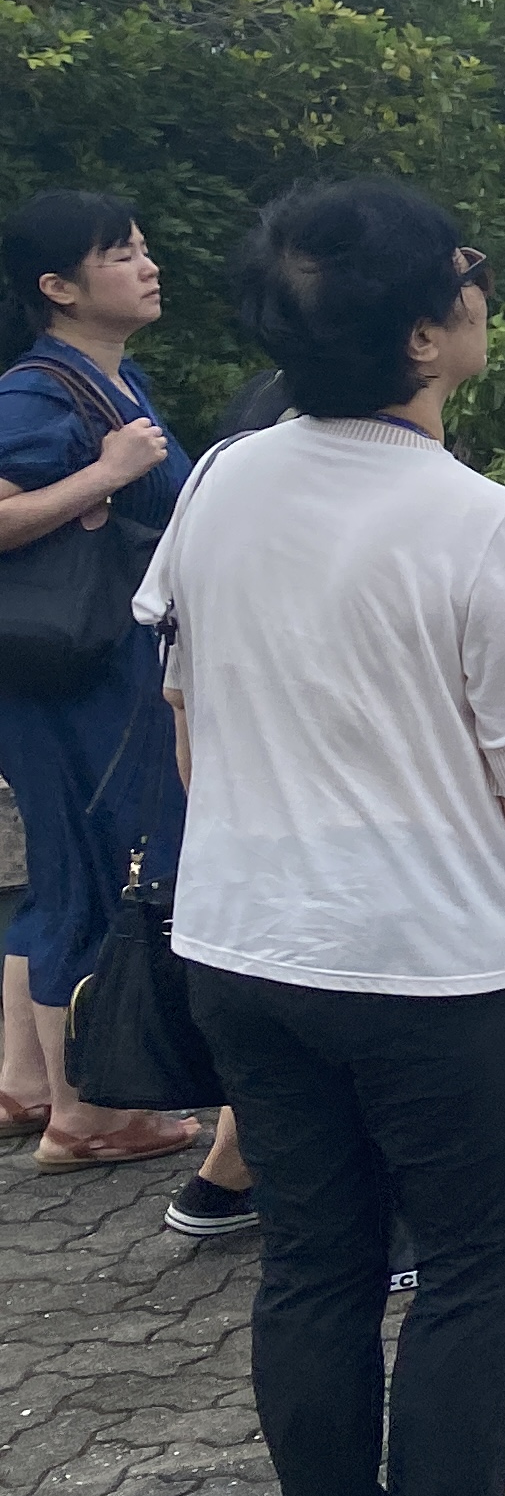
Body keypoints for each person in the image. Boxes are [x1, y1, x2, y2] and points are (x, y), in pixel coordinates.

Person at [146, 179, 505, 1496]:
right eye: (467, 271)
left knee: (316, 1261)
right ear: (428, 333)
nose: (480, 285)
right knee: (480, 1260)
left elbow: (185, 711)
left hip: (242, 940)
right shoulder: (480, 526)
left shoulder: (221, 477)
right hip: (428, 960)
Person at [0, 189, 242, 1201]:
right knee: (102, 871)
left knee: (80, 866)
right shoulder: (34, 396)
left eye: (143, 248)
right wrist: (104, 473)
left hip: (98, 671)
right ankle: (89, 1114)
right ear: (57, 287)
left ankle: (32, 1085)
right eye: (119, 255)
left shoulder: (112, 377)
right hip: (73, 676)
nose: (146, 266)